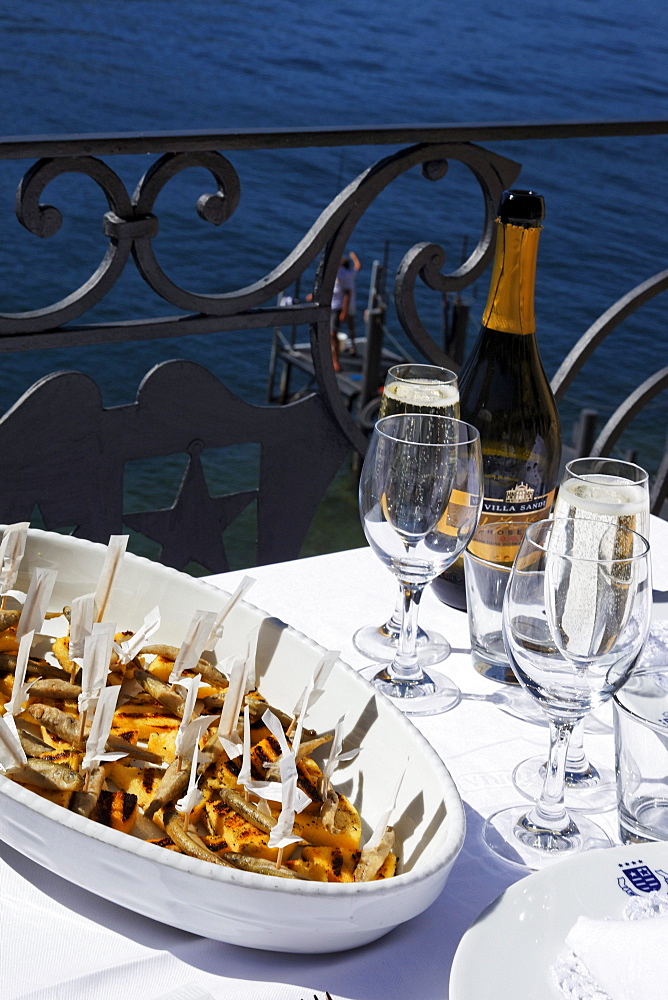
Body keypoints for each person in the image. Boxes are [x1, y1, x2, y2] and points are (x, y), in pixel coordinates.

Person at [330, 251, 361, 371]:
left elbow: (347, 293)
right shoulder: (349, 274)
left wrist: (343, 311)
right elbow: (358, 267)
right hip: (344, 306)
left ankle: (338, 357)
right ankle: (352, 345)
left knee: (335, 331)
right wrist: (354, 257)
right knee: (350, 325)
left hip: (343, 306)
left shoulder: (345, 275)